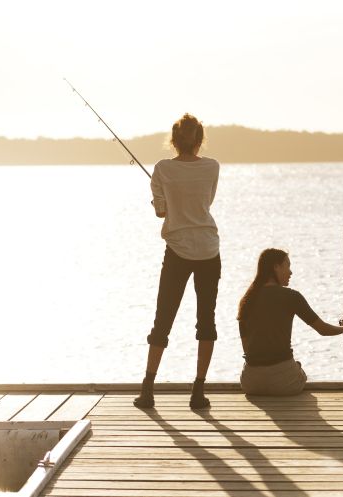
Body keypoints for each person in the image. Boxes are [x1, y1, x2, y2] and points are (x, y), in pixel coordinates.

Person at [134, 114, 221, 410]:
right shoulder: (212, 167)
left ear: (173, 140)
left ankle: (147, 390)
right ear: (200, 140)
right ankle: (198, 392)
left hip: (178, 250)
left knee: (163, 319)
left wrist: (165, 200)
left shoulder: (162, 169)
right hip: (209, 249)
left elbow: (161, 212)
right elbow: (205, 203)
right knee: (206, 320)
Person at [237, 248, 343, 395]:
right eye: (287, 266)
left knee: (292, 367)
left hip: (251, 383)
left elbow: (246, 348)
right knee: (299, 370)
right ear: (276, 267)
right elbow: (322, 329)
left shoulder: (246, 300)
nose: (291, 272)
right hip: (284, 383)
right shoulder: (292, 297)